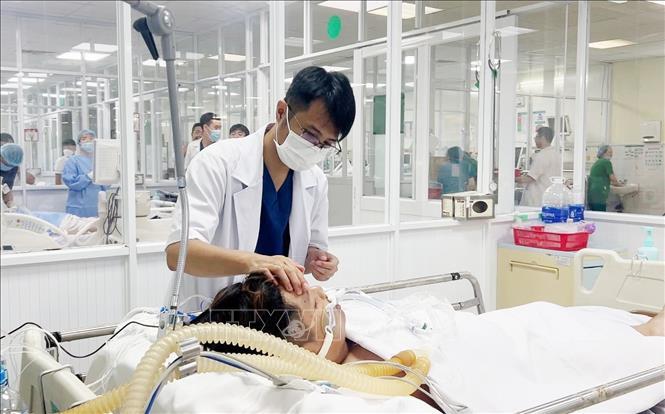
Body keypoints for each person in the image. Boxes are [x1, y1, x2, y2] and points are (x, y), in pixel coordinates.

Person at [190, 274, 665, 411]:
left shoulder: (343, 333)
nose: (325, 295)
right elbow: (456, 384)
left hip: (499, 330)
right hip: (519, 357)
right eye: (315, 302)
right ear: (294, 345)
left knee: (610, 320)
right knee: (644, 340)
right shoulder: (353, 380)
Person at [166, 66, 354, 300]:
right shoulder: (216, 162)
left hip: (276, 314)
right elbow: (177, 254)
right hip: (211, 311)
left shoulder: (314, 180)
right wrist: (255, 262)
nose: (314, 148)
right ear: (281, 111)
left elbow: (307, 250)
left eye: (326, 144)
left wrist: (317, 260)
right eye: (310, 134)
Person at [62, 129, 107, 217]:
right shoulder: (72, 161)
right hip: (78, 207)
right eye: (84, 138)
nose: (88, 141)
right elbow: (71, 182)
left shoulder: (99, 161)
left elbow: (105, 185)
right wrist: (88, 177)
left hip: (97, 206)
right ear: (79, 143)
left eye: (91, 138)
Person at [516, 126, 560, 206]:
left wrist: (510, 178)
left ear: (542, 138)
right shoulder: (555, 154)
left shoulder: (542, 156)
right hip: (549, 198)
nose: (534, 139)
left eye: (536, 137)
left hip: (538, 199)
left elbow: (529, 178)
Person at [587, 145, 622, 212]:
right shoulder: (606, 162)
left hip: (592, 195)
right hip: (599, 195)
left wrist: (612, 183)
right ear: (604, 153)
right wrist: (621, 185)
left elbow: (601, 178)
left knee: (594, 214)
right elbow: (613, 179)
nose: (611, 154)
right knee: (600, 214)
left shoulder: (598, 162)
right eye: (610, 152)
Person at [0, 143, 24, 208]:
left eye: (10, 165)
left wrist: (9, 201)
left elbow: (6, 187)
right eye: (5, 163)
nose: (7, 167)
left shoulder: (13, 168)